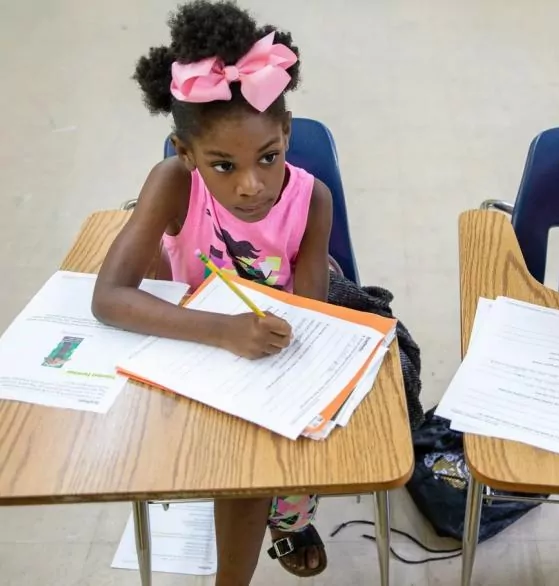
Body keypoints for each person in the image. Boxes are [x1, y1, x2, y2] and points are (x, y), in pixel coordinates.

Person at [92, 1, 333, 582]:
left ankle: (287, 522)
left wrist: (274, 338)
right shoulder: (173, 183)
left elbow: (312, 313)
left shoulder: (312, 199)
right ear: (187, 152)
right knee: (222, 472)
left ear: (287, 133)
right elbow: (109, 298)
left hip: (270, 353)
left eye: (268, 158)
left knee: (281, 465)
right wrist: (223, 331)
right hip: (192, 344)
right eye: (223, 165)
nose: (251, 186)